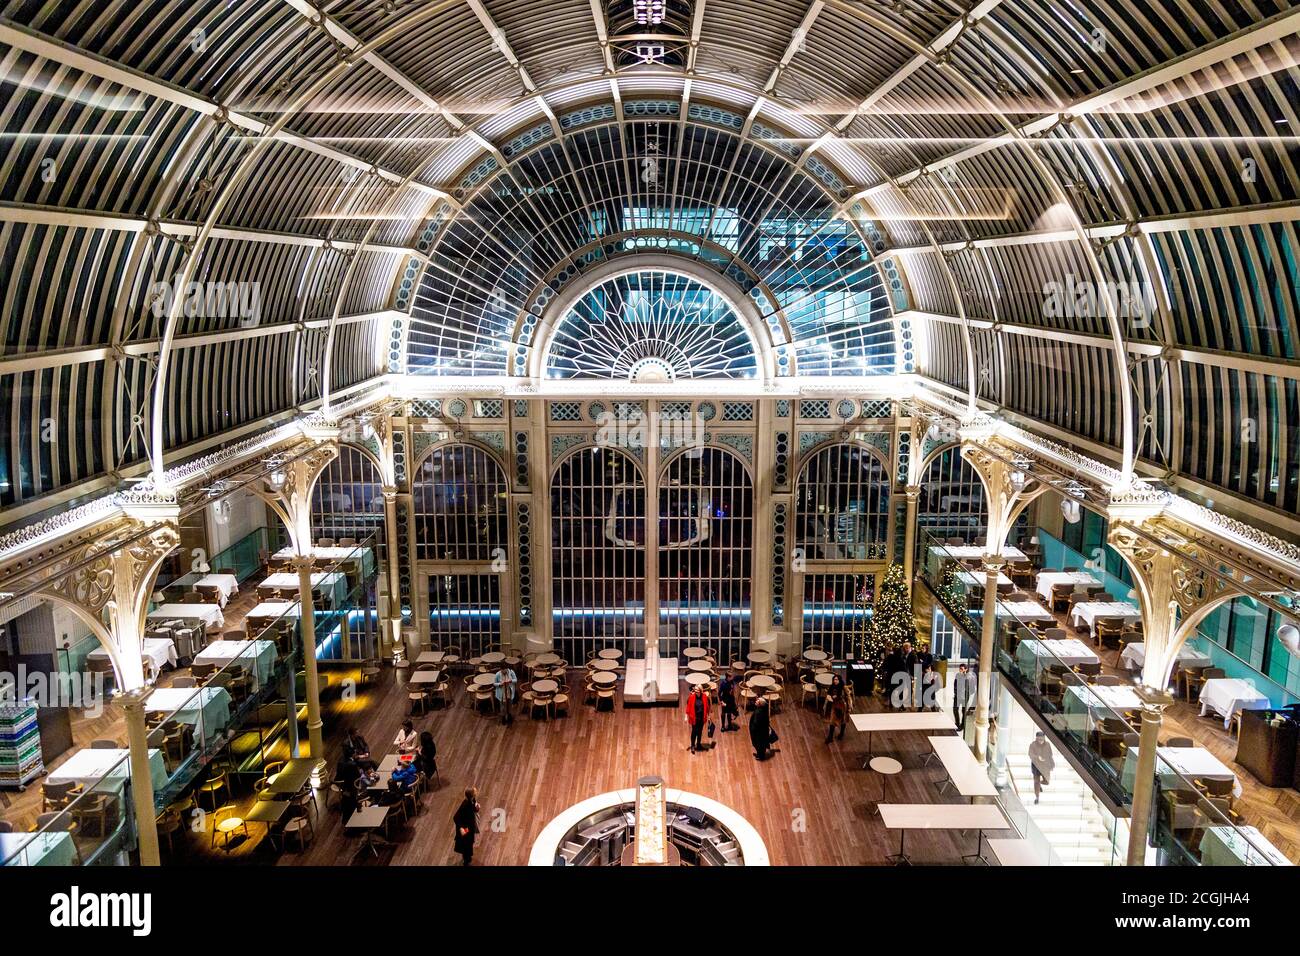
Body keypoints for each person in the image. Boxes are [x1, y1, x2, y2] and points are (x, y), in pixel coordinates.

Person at [453, 787, 481, 866]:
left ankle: (468, 857)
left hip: (470, 827)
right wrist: (461, 828)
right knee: (466, 844)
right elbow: (456, 817)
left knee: (470, 842)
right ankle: (466, 860)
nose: (476, 793)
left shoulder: (472, 801)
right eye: (475, 792)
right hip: (466, 828)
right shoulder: (465, 805)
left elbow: (473, 808)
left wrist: (477, 808)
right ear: (471, 796)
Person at [1028, 731, 1054, 804]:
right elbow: (1030, 754)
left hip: (1045, 766)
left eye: (1042, 739)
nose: (1040, 740)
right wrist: (1037, 757)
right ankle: (1037, 797)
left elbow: (1050, 754)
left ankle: (1039, 784)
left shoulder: (1047, 744)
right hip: (1036, 766)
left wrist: (1050, 763)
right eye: (1039, 739)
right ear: (1036, 738)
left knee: (1047, 781)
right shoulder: (1032, 745)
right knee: (1036, 782)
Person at [683, 684, 710, 754]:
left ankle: (698, 744)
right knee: (694, 732)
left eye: (697, 690)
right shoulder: (692, 697)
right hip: (694, 717)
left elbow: (706, 707)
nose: (696, 691)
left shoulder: (704, 697)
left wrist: (708, 715)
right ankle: (692, 745)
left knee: (700, 732)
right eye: (695, 690)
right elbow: (688, 707)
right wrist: (686, 716)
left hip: (701, 718)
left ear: (701, 691)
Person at [824, 674, 848, 743]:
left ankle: (841, 734)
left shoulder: (843, 687)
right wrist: (829, 697)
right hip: (834, 706)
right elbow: (828, 693)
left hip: (842, 706)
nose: (835, 681)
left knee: (843, 720)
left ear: (839, 680)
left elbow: (848, 696)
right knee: (832, 721)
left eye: (837, 679)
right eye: (834, 679)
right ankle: (830, 737)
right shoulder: (832, 686)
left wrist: (849, 706)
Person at [750, 696, 776, 760]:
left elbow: (756, 723)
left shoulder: (759, 712)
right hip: (762, 731)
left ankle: (761, 756)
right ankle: (759, 754)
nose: (755, 701)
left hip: (758, 732)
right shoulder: (763, 709)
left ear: (760, 704)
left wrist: (752, 729)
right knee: (760, 744)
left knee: (758, 744)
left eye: (757, 701)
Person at [953, 663, 977, 732]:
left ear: (966, 669)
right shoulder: (957, 675)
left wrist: (967, 694)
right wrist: (955, 692)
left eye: (962, 669)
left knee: (963, 711)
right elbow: (955, 684)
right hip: (957, 696)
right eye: (960, 668)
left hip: (964, 697)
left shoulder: (969, 677)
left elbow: (972, 689)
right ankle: (957, 723)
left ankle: (962, 725)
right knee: (955, 709)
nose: (960, 670)